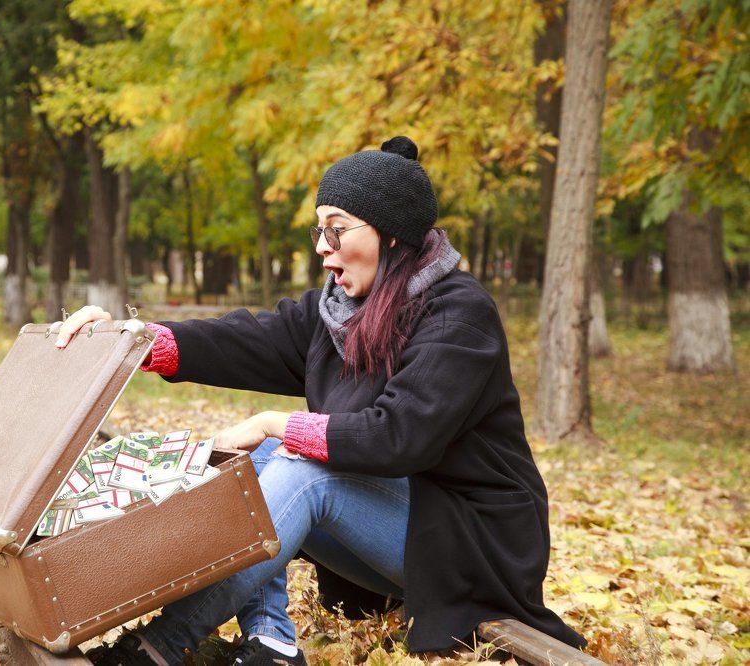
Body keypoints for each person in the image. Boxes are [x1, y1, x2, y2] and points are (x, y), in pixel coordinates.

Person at [56, 137, 585, 666]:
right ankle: (272, 640)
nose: (321, 247)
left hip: (473, 543)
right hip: (409, 521)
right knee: (252, 465)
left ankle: (159, 648)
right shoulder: (340, 311)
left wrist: (274, 422)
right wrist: (136, 341)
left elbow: (398, 436)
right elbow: (247, 340)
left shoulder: (459, 316)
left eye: (337, 228)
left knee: (304, 468)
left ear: (392, 235)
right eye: (319, 230)